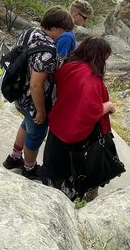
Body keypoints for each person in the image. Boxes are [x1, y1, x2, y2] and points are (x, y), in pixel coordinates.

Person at [2, 6, 74, 180]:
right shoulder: (47, 50)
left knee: (26, 124)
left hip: (19, 93)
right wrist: (41, 111)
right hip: (32, 101)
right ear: (55, 28)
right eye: (62, 31)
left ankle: (14, 158)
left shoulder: (30, 31)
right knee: (36, 133)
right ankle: (29, 168)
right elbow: (36, 85)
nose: (62, 35)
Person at [43, 36, 118, 201]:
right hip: (76, 135)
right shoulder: (90, 77)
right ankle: (90, 196)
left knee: (56, 173)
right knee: (93, 164)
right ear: (99, 57)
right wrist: (109, 106)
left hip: (58, 126)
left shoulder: (69, 67)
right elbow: (90, 110)